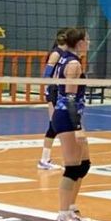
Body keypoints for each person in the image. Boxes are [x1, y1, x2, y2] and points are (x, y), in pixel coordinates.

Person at [51, 27, 93, 221]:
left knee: (83, 165)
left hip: (70, 116)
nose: (89, 43)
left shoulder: (65, 59)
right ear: (80, 43)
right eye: (87, 40)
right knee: (72, 168)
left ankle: (71, 210)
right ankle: (62, 215)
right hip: (67, 118)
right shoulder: (73, 64)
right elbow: (69, 99)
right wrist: (77, 127)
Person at [38, 28, 68, 171]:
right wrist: (50, 89)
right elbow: (47, 75)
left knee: (60, 125)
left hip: (60, 91)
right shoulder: (56, 53)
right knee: (54, 125)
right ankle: (44, 160)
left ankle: (46, 159)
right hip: (54, 91)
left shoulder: (67, 54)